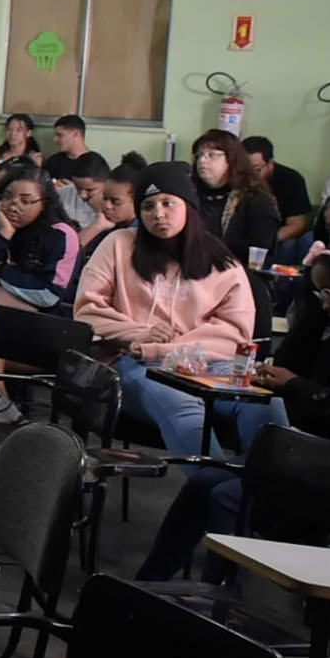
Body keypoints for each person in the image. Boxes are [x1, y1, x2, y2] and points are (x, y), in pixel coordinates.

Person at [136, 238, 330, 582]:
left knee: (230, 497)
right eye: (320, 294)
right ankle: (149, 584)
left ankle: (218, 603)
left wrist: (297, 387)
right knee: (203, 481)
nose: (326, 303)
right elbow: (291, 364)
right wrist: (316, 311)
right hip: (324, 459)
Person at [74, 161, 256, 459]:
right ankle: (216, 481)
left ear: (189, 206)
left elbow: (235, 332)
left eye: (168, 203)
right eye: (147, 206)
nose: (158, 214)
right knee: (178, 400)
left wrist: (169, 348)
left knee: (259, 403)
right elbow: (87, 312)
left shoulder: (220, 260)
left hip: (207, 362)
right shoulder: (118, 245)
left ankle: (266, 484)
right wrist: (142, 334)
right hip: (133, 362)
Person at [0, 164, 84, 423]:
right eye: (8, 197)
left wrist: (1, 271)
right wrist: (3, 236)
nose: (14, 206)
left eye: (26, 201)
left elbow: (48, 295)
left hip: (50, 331)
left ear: (44, 203)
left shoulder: (62, 235)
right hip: (3, 327)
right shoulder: (2, 231)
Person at [190, 129, 280, 264]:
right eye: (199, 155)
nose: (202, 160)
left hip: (238, 269)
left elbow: (260, 250)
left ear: (232, 159)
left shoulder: (256, 199)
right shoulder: (189, 193)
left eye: (212, 155)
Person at [240, 135, 313, 261]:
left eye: (257, 169)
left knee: (288, 246)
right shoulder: (234, 178)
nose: (250, 176)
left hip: (276, 236)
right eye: (244, 170)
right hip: (243, 235)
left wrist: (268, 240)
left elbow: (298, 224)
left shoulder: (291, 179)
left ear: (271, 163)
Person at [57, 151, 110, 230]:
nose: (83, 195)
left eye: (90, 190)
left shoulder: (114, 203)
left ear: (106, 183)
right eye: (77, 188)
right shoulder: (60, 194)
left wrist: (100, 211)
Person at [44, 114, 91, 183]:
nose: (55, 139)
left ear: (76, 134)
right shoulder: (53, 162)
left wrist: (74, 188)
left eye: (60, 135)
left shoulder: (95, 163)